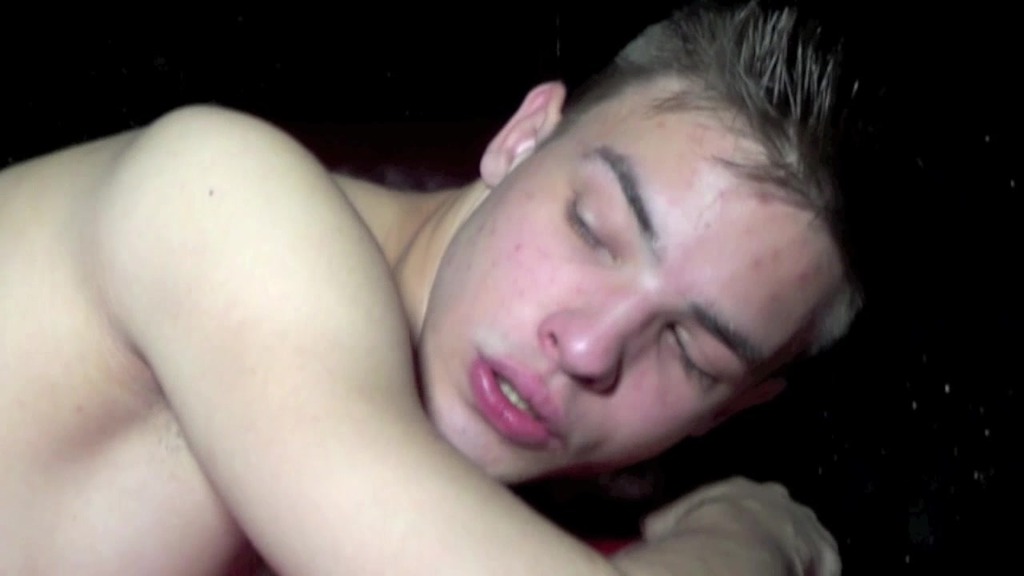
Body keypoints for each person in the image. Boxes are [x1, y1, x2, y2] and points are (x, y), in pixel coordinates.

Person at [0, 1, 857, 574]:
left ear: (726, 412)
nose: (589, 347)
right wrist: (748, 536)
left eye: (691, 352)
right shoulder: (225, 200)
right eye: (593, 228)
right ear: (522, 138)